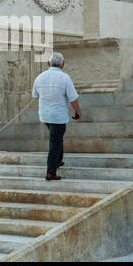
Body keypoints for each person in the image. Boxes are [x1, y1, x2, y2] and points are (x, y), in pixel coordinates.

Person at [32, 52, 81, 181]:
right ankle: (50, 171)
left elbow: (35, 95)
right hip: (58, 116)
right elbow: (73, 98)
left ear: (48, 64)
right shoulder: (65, 78)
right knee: (55, 141)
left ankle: (58, 160)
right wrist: (78, 111)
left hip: (45, 115)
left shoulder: (39, 77)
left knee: (57, 138)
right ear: (63, 64)